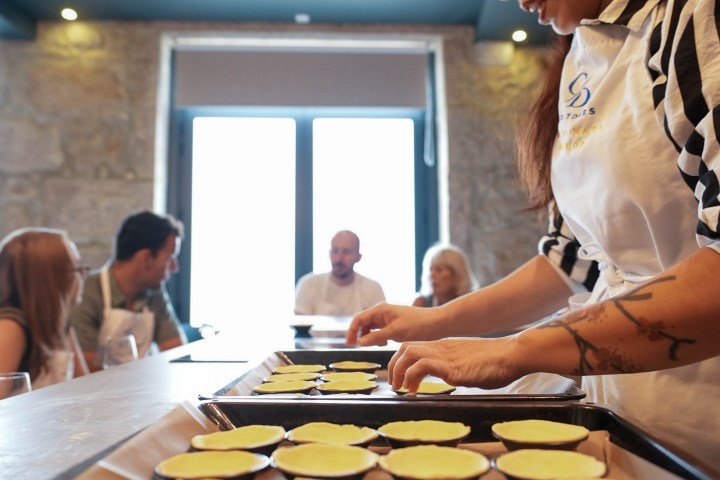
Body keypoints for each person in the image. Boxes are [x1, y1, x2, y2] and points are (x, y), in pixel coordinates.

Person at [346, 0, 720, 472]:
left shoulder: (690, 20)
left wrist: (514, 350)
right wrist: (437, 320)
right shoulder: (577, 61)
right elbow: (570, 264)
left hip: (701, 401)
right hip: (617, 399)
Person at [69, 210, 187, 371]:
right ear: (145, 258)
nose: (175, 267)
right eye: (169, 258)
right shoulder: (87, 293)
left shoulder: (154, 293)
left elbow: (178, 356)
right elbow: (87, 371)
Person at [0, 228, 90, 390]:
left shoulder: (59, 322)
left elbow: (84, 388)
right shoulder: (11, 327)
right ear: (51, 279)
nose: (84, 275)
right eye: (77, 269)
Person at [295, 230, 385, 316]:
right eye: (335, 251)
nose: (339, 258)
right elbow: (300, 326)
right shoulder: (308, 284)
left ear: (358, 257)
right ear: (329, 253)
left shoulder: (373, 288)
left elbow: (380, 327)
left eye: (347, 252)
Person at [412, 243, 478, 307]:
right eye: (430, 269)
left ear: (457, 275)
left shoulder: (469, 305)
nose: (432, 274)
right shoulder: (421, 304)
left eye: (439, 270)